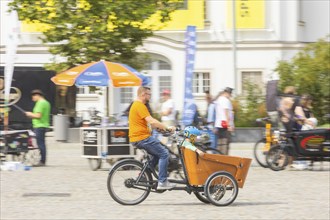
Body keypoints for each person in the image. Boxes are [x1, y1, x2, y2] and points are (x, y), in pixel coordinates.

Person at [129, 86, 176, 190]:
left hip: (138, 138)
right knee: (164, 154)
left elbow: (151, 124)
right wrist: (167, 128)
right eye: (149, 94)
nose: (150, 96)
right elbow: (152, 121)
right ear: (143, 94)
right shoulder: (139, 105)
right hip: (142, 138)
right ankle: (162, 182)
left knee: (156, 156)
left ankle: (142, 177)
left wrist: (161, 129)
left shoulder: (137, 105)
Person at [25, 89, 51, 166]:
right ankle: (43, 160)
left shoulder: (40, 103)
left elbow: (38, 116)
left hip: (39, 126)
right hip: (43, 125)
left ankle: (42, 161)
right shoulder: (46, 103)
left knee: (40, 144)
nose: (32, 99)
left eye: (33, 97)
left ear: (37, 95)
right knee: (42, 143)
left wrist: (30, 114)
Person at [214, 87, 234, 155]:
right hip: (225, 125)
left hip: (219, 125)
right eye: (230, 93)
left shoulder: (218, 100)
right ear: (227, 93)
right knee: (225, 143)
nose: (231, 95)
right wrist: (229, 125)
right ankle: (224, 159)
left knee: (220, 143)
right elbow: (226, 113)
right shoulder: (225, 100)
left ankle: (219, 159)